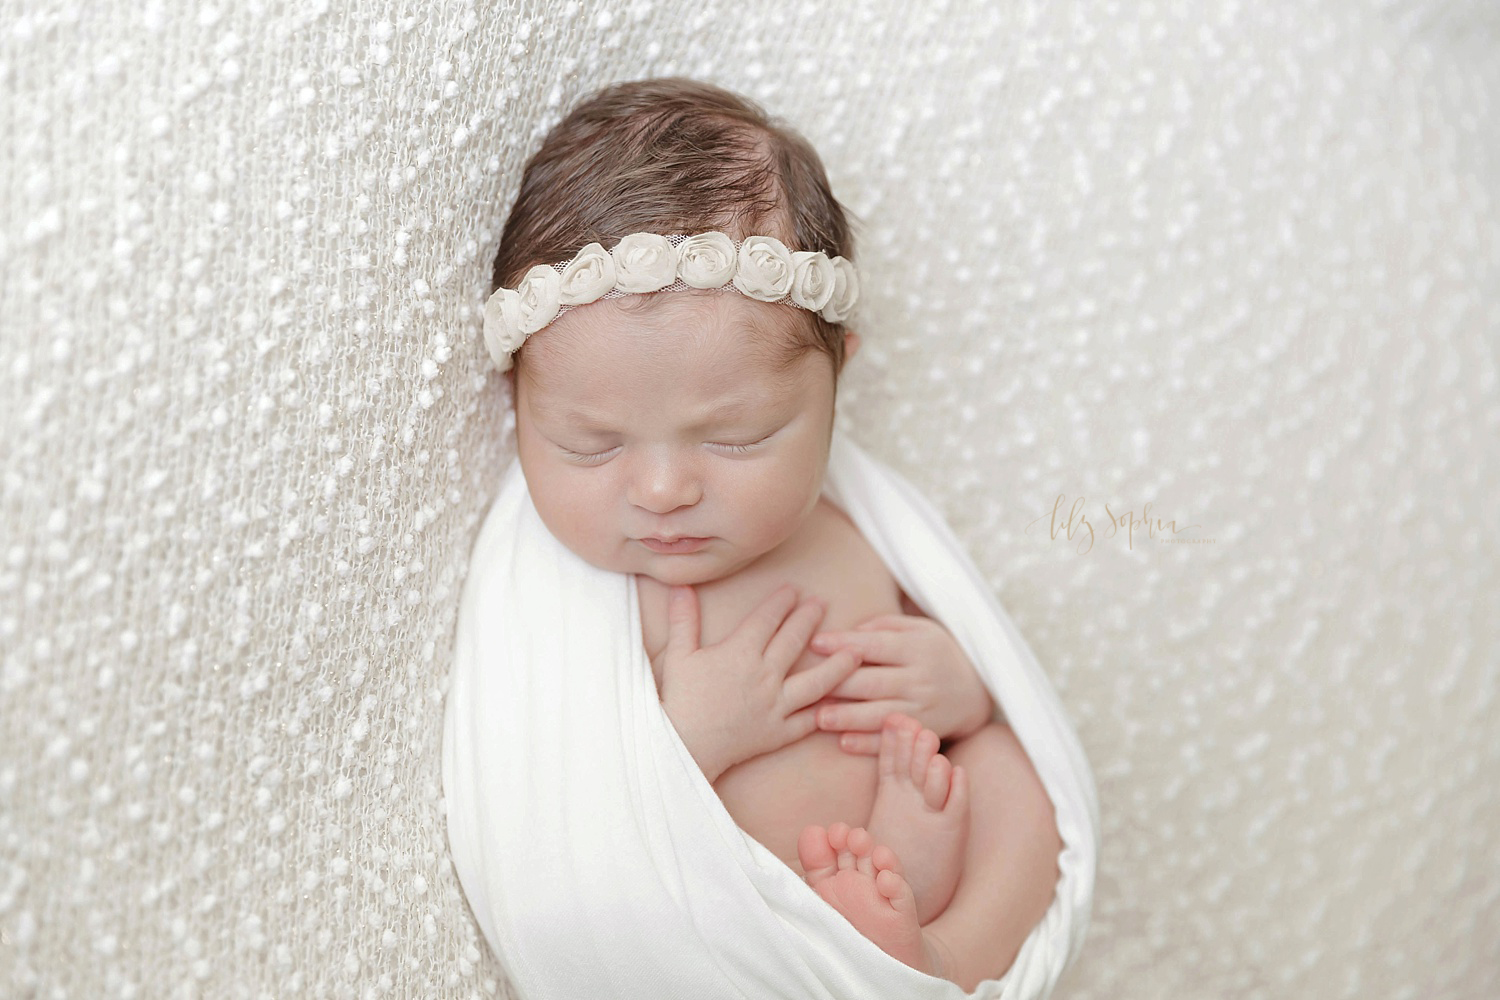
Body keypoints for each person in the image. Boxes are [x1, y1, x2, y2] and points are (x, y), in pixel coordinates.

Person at [481, 76, 1062, 991]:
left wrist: (963, 693)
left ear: (837, 382)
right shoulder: (575, 596)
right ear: (517, 404)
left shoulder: (858, 532)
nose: (665, 490)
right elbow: (553, 829)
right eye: (589, 445)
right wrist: (684, 736)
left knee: (1021, 783)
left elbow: (982, 697)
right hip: (739, 943)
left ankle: (945, 959)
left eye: (737, 437)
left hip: (921, 876)